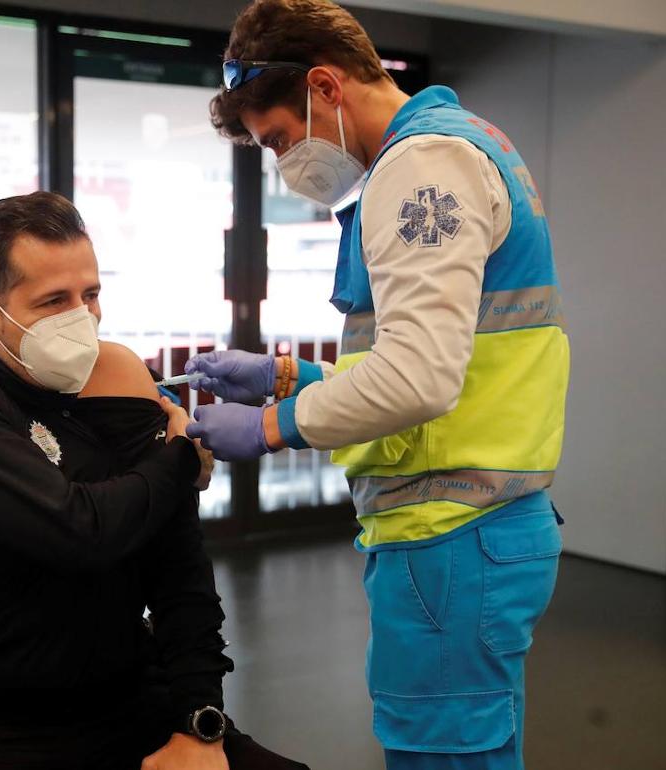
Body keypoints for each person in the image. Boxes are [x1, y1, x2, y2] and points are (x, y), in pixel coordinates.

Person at [184, 2, 570, 768]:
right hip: (477, 530)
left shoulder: (421, 166)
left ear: (325, 86)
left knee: (442, 755)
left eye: (280, 141)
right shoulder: (465, 145)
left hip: (451, 534)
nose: (284, 165)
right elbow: (441, 361)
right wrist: (286, 376)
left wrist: (269, 427)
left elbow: (419, 378)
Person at [0, 191, 308, 770]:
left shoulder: (117, 379)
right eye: (53, 301)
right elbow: (77, 528)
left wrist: (198, 722)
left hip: (127, 702)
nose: (81, 319)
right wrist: (181, 457)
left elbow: (178, 571)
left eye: (90, 295)